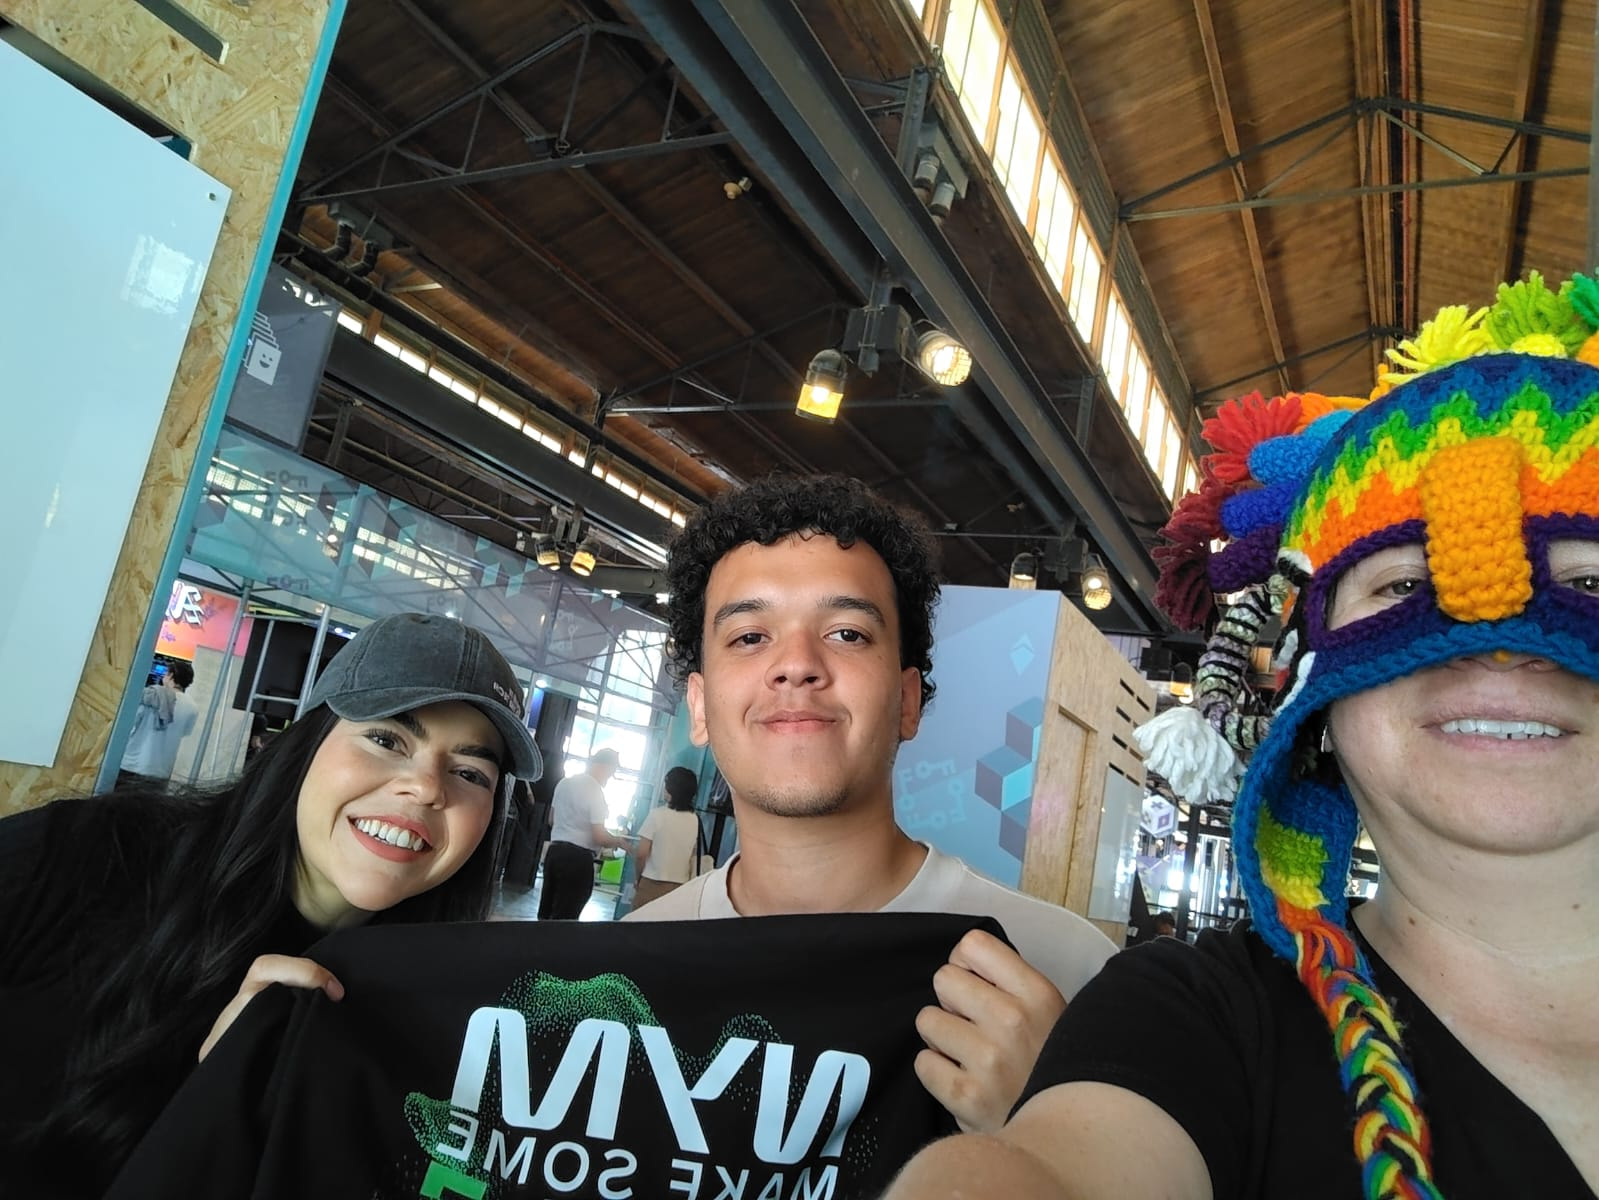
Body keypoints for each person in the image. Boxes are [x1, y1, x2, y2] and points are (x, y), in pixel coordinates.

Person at [883, 272, 1599, 1197]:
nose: (1495, 643)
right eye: (1402, 588)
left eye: (1588, 584)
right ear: (1307, 685)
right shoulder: (1191, 1023)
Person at [627, 474, 1119, 1133]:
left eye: (847, 634)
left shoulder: (1068, 973)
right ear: (698, 706)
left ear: (907, 702)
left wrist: (1051, 1131)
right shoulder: (625, 970)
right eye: (748, 637)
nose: (796, 664)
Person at [0, 611, 542, 1199]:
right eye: (387, 740)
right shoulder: (81, 858)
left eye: (470, 772)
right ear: (307, 743)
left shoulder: (452, 1019)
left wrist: (223, 1106)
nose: (428, 787)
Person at [537, 746, 632, 919]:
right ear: (603, 766)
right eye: (610, 772)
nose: (609, 778)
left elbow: (551, 819)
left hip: (554, 853)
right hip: (577, 860)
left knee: (546, 913)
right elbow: (599, 836)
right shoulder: (595, 791)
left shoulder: (564, 783)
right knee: (566, 918)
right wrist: (618, 841)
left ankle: (538, 938)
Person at [117, 658, 199, 786]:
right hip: (161, 771)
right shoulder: (192, 708)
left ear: (170, 675)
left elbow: (131, 722)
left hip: (131, 764)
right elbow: (185, 733)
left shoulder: (151, 695)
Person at [631, 764, 703, 907]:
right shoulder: (695, 820)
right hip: (679, 888)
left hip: (651, 884)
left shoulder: (656, 815)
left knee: (640, 920)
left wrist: (638, 878)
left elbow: (641, 854)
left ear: (671, 789)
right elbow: (692, 855)